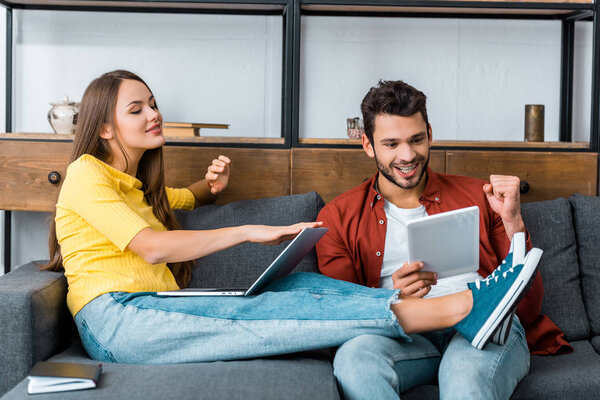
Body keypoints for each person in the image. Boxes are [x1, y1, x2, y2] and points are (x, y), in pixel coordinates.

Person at [44, 70, 540, 366]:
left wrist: (206, 190)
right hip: (117, 318)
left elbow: (173, 202)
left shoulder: (130, 187)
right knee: (251, 313)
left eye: (152, 103)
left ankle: (449, 307)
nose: (153, 113)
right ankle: (458, 308)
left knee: (292, 290)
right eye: (137, 110)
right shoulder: (86, 174)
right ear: (105, 127)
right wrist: (248, 231)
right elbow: (151, 245)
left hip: (145, 306)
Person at [316, 80, 572, 400]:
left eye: (416, 140)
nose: (407, 155)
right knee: (355, 359)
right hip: (403, 336)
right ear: (368, 145)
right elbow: (343, 318)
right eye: (391, 144)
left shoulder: (480, 198)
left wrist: (513, 223)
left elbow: (528, 306)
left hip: (480, 324)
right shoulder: (337, 217)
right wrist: (393, 297)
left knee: (464, 375)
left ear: (430, 135)